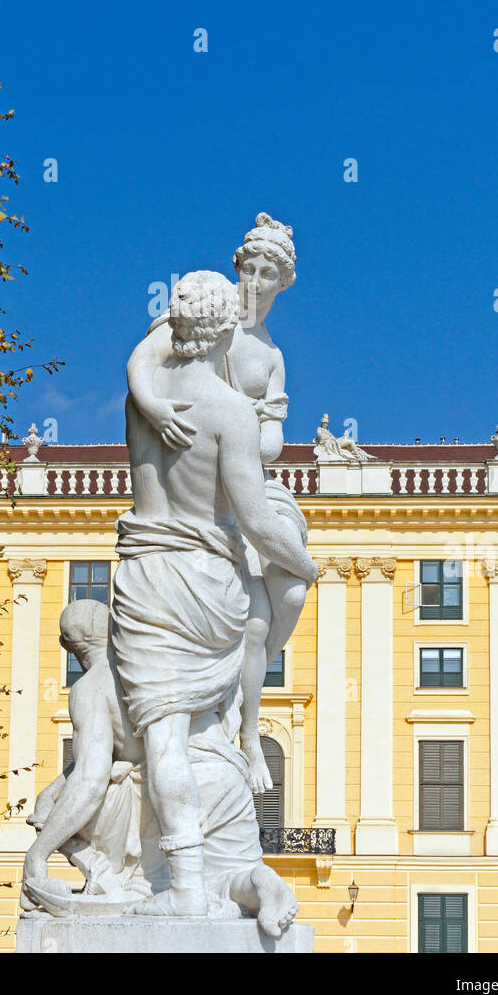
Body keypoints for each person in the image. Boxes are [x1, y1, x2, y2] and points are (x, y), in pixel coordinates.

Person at [112, 270, 318, 919]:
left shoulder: (138, 398)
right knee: (205, 726)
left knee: (166, 736)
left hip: (144, 576)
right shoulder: (228, 410)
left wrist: (146, 381)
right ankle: (216, 872)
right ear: (226, 330)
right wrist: (304, 566)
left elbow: (144, 353)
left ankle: (187, 887)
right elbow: (256, 523)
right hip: (206, 584)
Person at [126, 214, 312, 794]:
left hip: (248, 477)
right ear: (238, 268)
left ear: (283, 284)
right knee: (254, 626)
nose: (255, 282)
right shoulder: (200, 317)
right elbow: (141, 363)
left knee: (291, 590)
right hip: (210, 493)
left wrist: (248, 436)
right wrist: (153, 406)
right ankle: (248, 731)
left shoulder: (271, 356)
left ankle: (238, 701)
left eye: (267, 274)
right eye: (249, 269)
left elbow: (276, 440)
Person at [22, 600, 300, 937]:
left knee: (56, 813)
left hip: (173, 788)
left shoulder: (93, 686)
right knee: (226, 877)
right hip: (226, 774)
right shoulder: (160, 659)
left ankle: (121, 880)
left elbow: (89, 780)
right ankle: (260, 883)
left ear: (71, 647)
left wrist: (39, 852)